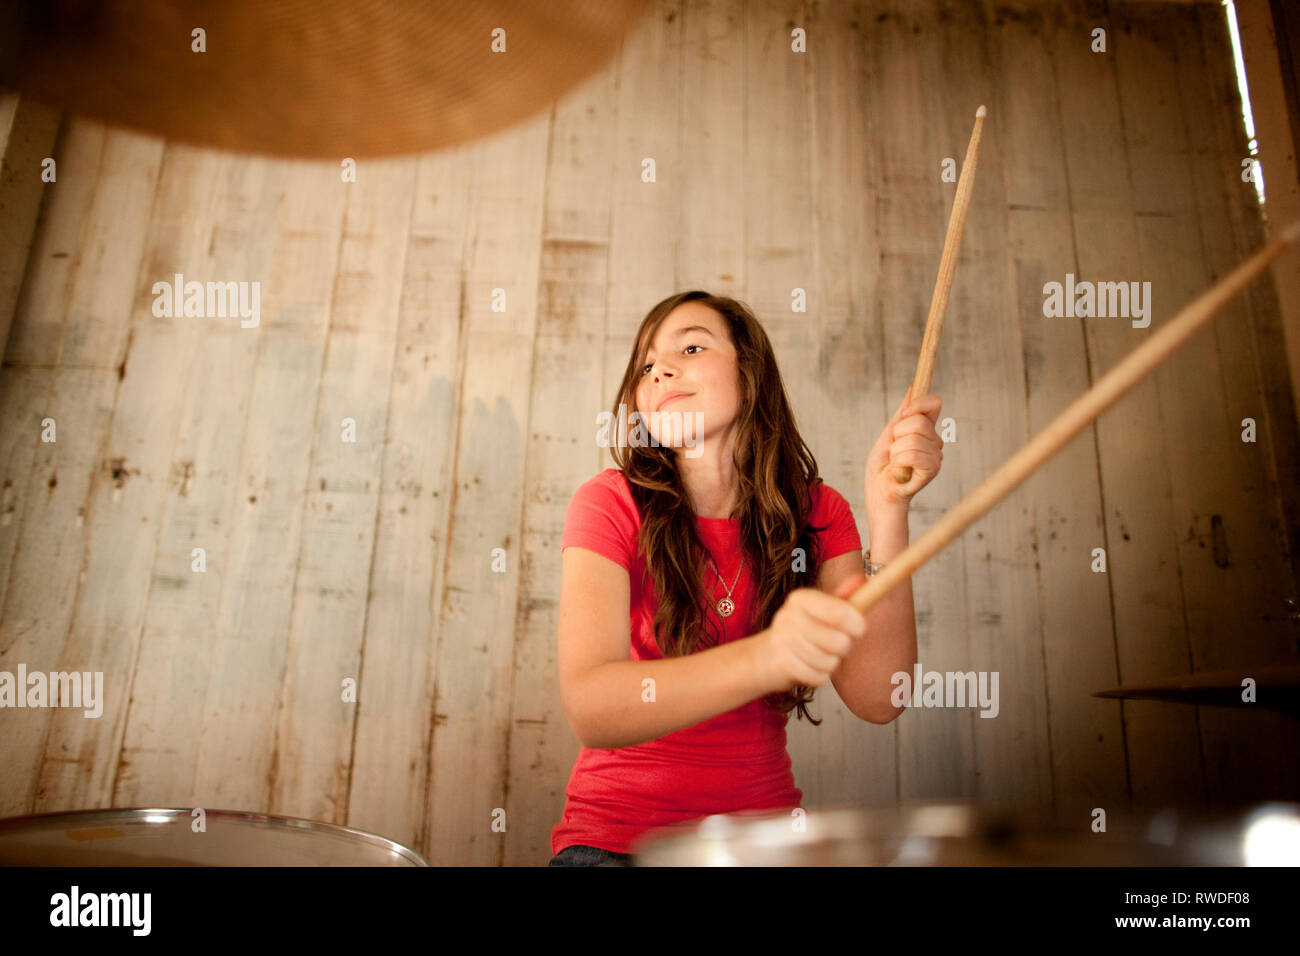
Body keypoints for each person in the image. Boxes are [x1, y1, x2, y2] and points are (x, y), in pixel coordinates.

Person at [547, 291, 943, 866]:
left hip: (762, 846)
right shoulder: (609, 503)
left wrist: (888, 509)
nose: (659, 369)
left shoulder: (818, 512)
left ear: (748, 370)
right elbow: (592, 708)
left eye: (690, 346)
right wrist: (770, 657)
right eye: (646, 364)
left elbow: (882, 698)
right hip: (615, 845)